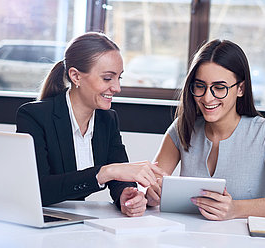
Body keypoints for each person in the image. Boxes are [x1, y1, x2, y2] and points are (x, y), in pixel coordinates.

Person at [146, 39, 265, 220]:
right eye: (200, 86)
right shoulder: (182, 128)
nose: (207, 97)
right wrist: (150, 194)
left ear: (241, 88)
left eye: (219, 88)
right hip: (190, 238)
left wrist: (235, 209)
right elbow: (150, 185)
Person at [16, 32, 165, 217]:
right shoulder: (34, 116)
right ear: (76, 76)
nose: (117, 88)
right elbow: (40, 189)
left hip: (77, 222)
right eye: (108, 78)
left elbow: (120, 178)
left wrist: (126, 196)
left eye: (119, 78)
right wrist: (105, 172)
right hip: (38, 220)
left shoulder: (107, 119)